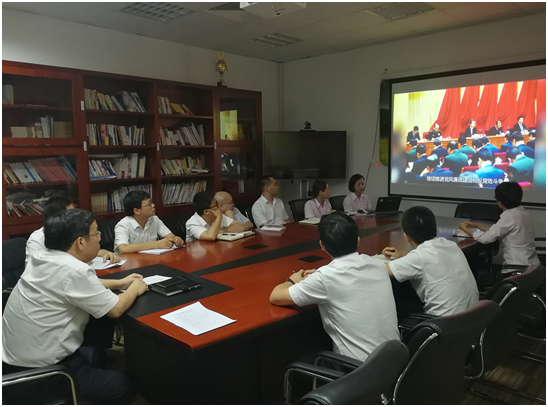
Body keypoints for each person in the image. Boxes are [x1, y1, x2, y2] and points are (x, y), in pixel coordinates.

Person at [3, 209, 148, 404]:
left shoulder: (42, 257)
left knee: (95, 353)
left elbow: (68, 285)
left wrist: (119, 283)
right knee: (128, 384)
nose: (100, 238)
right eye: (96, 233)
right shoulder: (75, 270)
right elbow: (116, 309)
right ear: (80, 242)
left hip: (14, 362)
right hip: (41, 376)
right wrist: (135, 288)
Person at [269, 212, 399, 361]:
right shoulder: (378, 265)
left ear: (322, 246)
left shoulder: (325, 278)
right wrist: (319, 275)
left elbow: (275, 296)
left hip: (359, 370)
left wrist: (292, 280)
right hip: (396, 362)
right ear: (358, 241)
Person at [382, 206, 479, 316]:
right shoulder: (451, 245)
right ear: (436, 230)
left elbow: (381, 270)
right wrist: (403, 257)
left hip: (443, 323)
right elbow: (428, 261)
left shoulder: (419, 257)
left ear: (406, 237)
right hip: (474, 317)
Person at [459, 182, 539, 275]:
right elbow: (496, 230)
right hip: (532, 265)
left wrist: (464, 229)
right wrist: (476, 225)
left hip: (517, 268)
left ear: (500, 202)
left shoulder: (509, 216)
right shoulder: (522, 212)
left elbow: (486, 238)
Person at [26, 194, 119, 264]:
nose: (77, 216)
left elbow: (81, 250)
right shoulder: (37, 239)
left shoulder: (73, 230)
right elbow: (39, 269)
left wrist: (103, 252)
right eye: (72, 214)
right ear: (58, 218)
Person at [114, 190, 184, 254]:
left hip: (150, 259)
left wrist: (176, 239)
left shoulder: (154, 219)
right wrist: (156, 244)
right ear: (137, 211)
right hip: (129, 262)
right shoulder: (123, 225)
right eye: (149, 204)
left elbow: (170, 236)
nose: (153, 205)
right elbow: (123, 249)